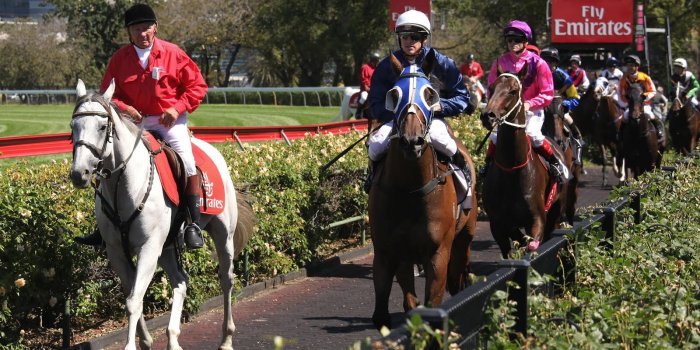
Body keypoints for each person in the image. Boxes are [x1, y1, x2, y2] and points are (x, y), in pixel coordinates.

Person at [75, 3, 208, 250]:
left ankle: (193, 224)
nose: (143, 33)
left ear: (155, 27)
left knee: (188, 163)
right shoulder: (119, 59)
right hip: (134, 123)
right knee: (107, 161)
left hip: (169, 121)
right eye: (137, 29)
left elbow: (198, 87)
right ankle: (103, 227)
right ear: (129, 32)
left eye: (147, 27)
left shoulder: (173, 53)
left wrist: (176, 108)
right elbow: (107, 95)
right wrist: (125, 109)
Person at [365, 9, 474, 195]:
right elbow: (375, 101)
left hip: (431, 120)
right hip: (396, 120)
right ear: (399, 38)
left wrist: (441, 106)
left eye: (415, 36)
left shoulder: (443, 63)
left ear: (424, 39)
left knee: (442, 139)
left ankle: (464, 182)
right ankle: (372, 180)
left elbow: (462, 97)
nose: (410, 41)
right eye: (405, 36)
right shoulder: (386, 66)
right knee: (375, 147)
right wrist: (396, 112)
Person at [482, 20, 567, 182]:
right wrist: (494, 105)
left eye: (517, 40)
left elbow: (547, 92)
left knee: (533, 136)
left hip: (532, 110)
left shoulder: (539, 63)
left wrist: (529, 104)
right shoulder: (500, 61)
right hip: (507, 112)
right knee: (495, 136)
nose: (512, 43)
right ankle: (487, 165)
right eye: (509, 40)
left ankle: (555, 163)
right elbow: (491, 87)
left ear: (526, 42)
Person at [540, 46, 584, 162]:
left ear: (555, 62)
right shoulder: (537, 75)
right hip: (541, 109)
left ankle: (577, 148)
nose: (546, 64)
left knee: (571, 123)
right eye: (544, 61)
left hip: (560, 108)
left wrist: (565, 104)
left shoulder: (565, 78)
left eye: (549, 61)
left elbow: (575, 98)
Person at [619, 54, 664, 142]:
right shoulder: (624, 78)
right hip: (631, 106)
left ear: (637, 67)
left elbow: (653, 91)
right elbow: (622, 92)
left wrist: (644, 97)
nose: (629, 67)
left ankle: (659, 130)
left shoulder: (645, 77)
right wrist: (626, 102)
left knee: (650, 115)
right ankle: (620, 135)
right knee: (624, 117)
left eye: (631, 65)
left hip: (644, 104)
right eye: (627, 65)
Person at [355, 52, 381, 119]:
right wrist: (366, 87)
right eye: (376, 61)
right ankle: (358, 112)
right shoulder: (365, 67)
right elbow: (363, 79)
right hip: (366, 89)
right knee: (364, 97)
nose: (377, 62)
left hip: (374, 89)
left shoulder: (377, 69)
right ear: (373, 60)